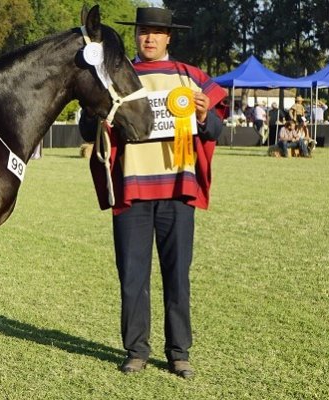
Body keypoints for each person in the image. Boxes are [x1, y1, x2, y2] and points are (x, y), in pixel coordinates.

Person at [78, 7, 226, 379]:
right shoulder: (116, 76)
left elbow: (216, 132)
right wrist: (93, 110)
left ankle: (179, 353)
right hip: (131, 192)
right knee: (132, 276)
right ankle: (136, 350)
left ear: (168, 37)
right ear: (136, 35)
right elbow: (85, 129)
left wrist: (206, 116)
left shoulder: (190, 78)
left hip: (177, 192)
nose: (150, 38)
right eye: (144, 31)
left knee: (178, 276)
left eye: (157, 32)